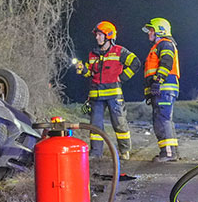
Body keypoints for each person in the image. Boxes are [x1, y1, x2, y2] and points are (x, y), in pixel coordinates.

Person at [76, 21, 141, 159]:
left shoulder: (119, 51)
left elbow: (136, 63)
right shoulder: (92, 54)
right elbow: (91, 73)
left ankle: (124, 151)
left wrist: (122, 77)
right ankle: (96, 153)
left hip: (113, 95)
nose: (97, 38)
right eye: (97, 35)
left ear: (109, 36)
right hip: (96, 96)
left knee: (119, 123)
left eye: (100, 35)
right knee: (95, 126)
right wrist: (83, 70)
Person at [142, 18, 180, 162]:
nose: (149, 33)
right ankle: (171, 151)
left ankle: (168, 153)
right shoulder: (160, 45)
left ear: (160, 31)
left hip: (164, 87)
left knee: (162, 120)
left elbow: (166, 63)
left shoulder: (165, 44)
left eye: (151, 30)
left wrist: (158, 81)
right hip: (162, 88)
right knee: (164, 119)